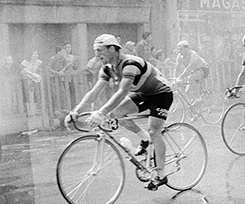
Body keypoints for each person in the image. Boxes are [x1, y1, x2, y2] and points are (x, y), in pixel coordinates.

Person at [64, 34, 173, 191]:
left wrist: (101, 112)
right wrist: (75, 112)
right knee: (117, 113)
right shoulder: (107, 69)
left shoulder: (130, 64)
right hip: (143, 93)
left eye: (100, 50)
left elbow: (122, 91)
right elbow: (94, 92)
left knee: (154, 130)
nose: (97, 54)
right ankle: (144, 138)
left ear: (113, 49)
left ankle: (161, 174)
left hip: (161, 93)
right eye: (95, 51)